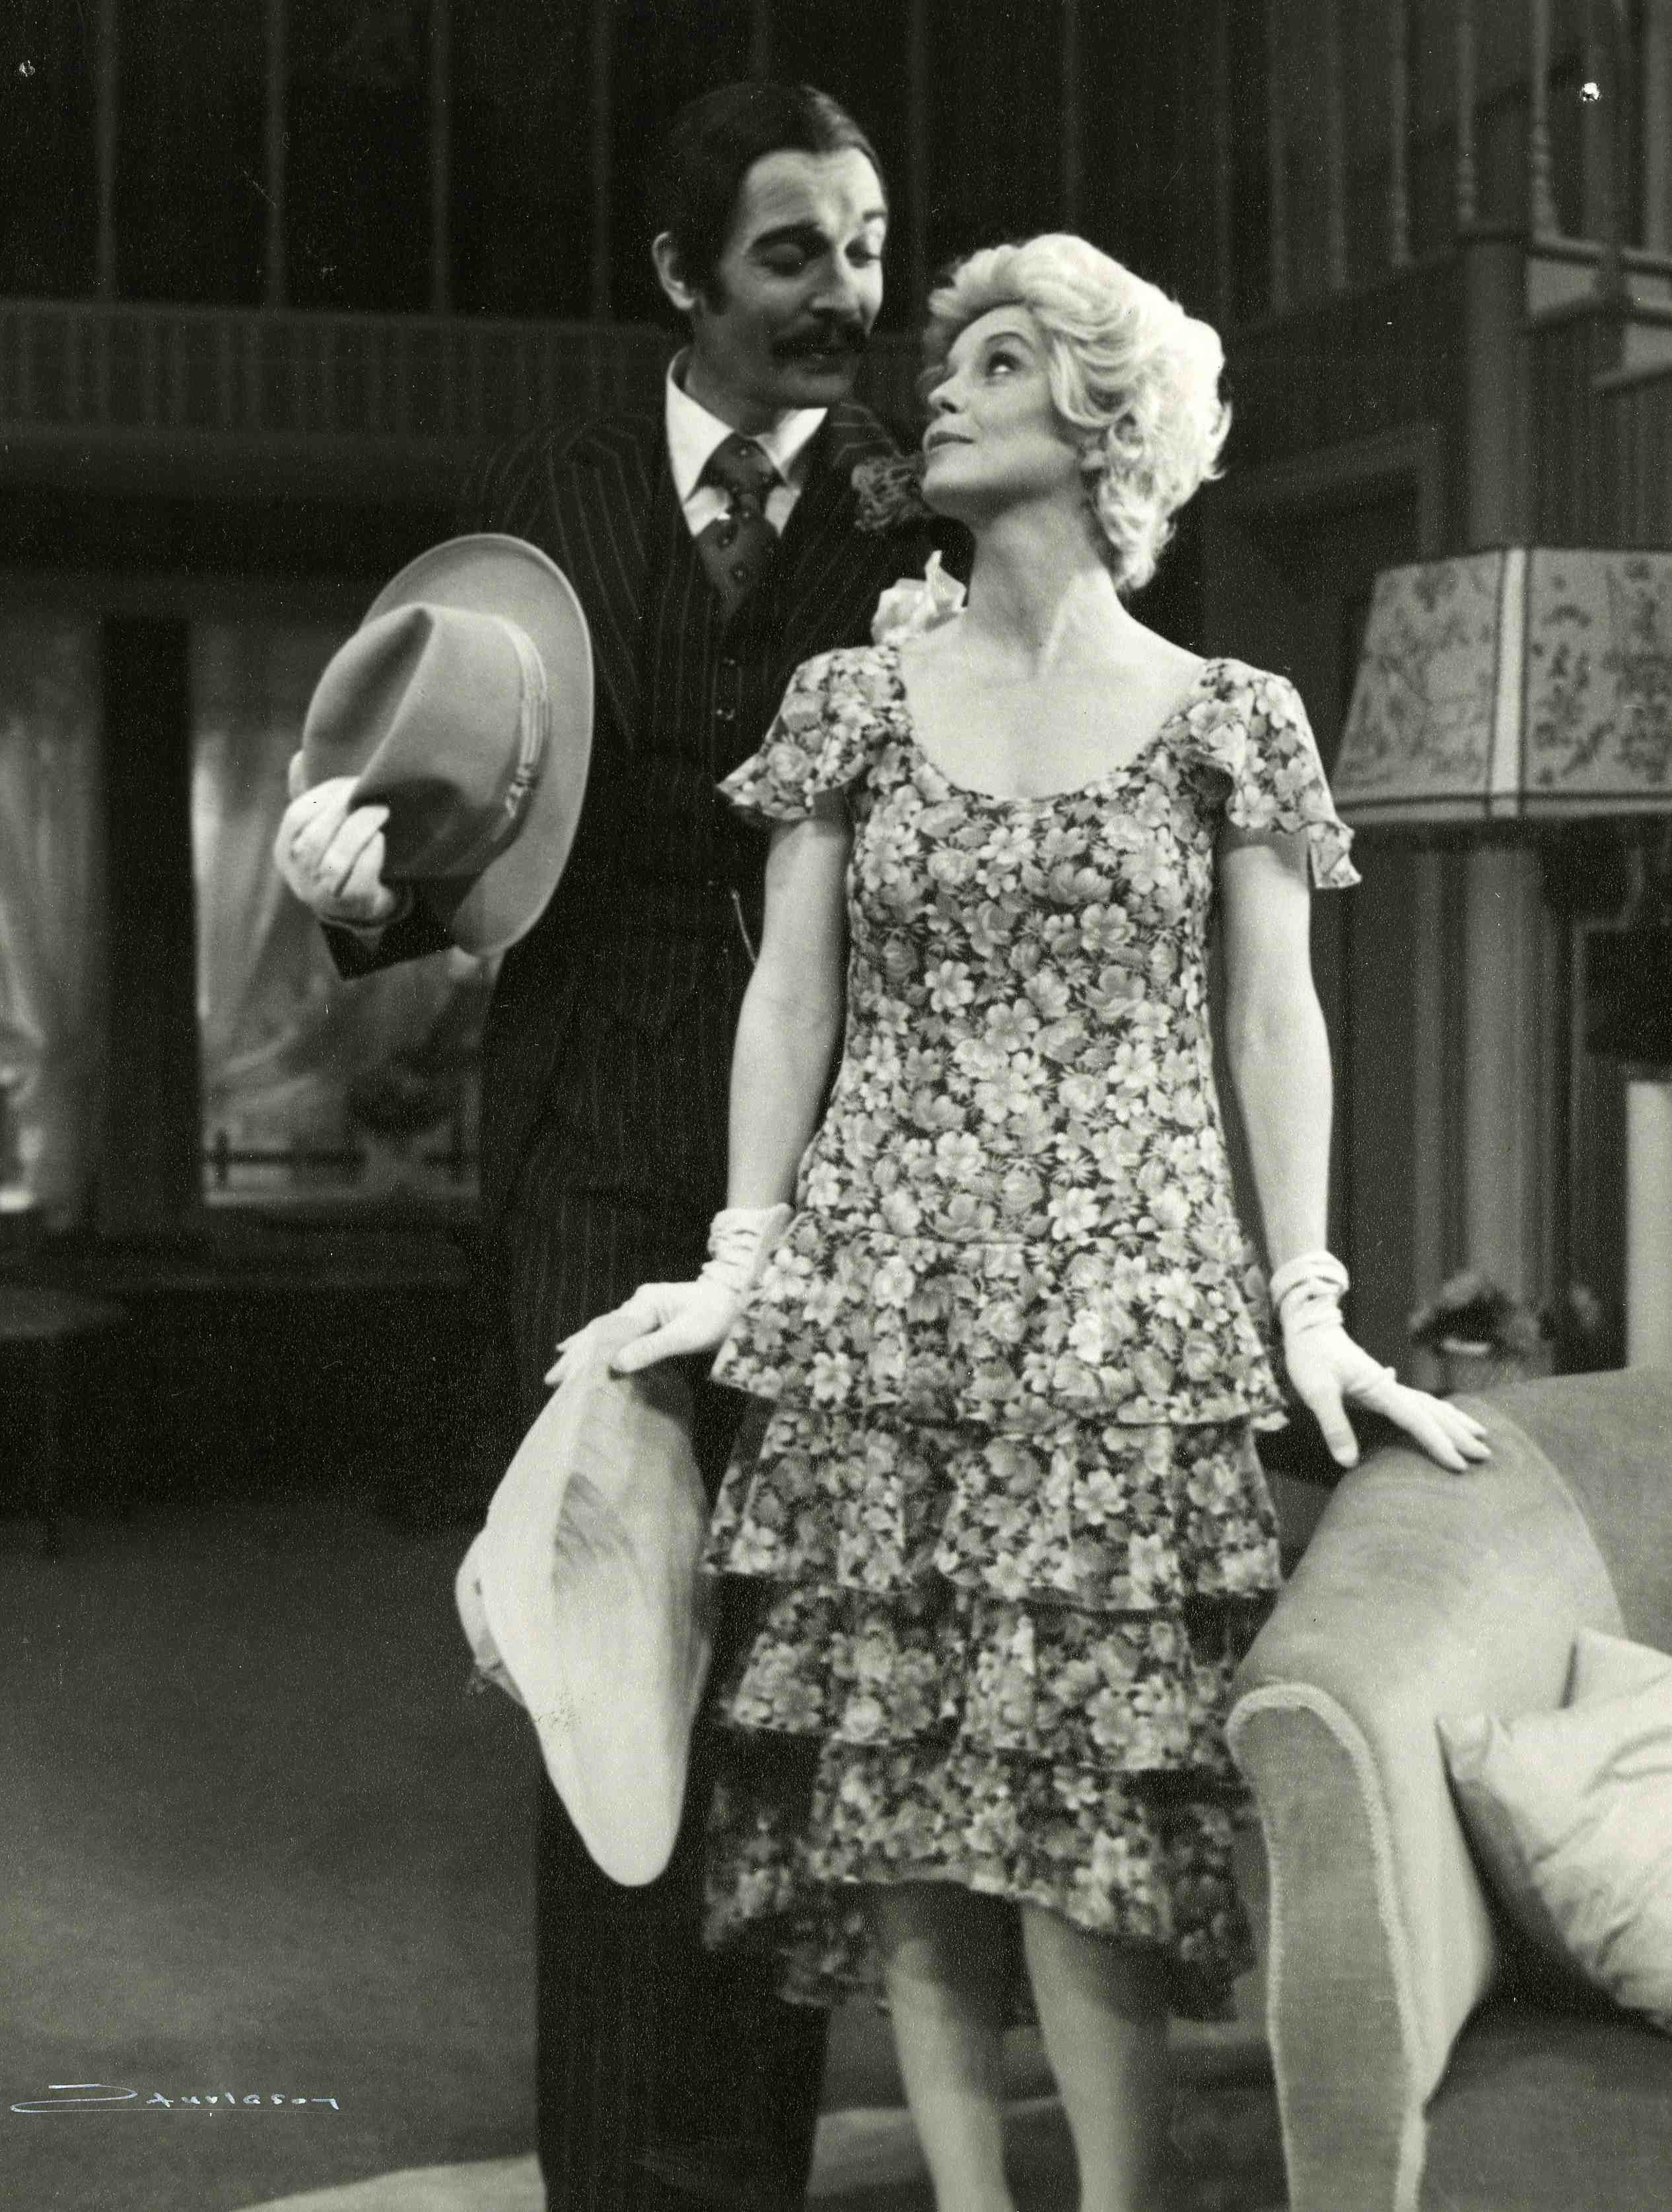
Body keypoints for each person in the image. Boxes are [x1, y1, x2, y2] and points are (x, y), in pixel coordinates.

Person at [565, 233, 1490, 2212]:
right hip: (877, 1317)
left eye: (995, 360)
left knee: (1083, 1840)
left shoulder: (1230, 713)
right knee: (906, 1823)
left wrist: (1308, 1302)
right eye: (951, 359)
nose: (943, 386)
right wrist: (736, 1266)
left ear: (1101, 416)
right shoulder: (852, 697)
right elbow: (788, 998)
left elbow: (1274, 1019)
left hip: (1118, 1331)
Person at [273, 80, 965, 2212]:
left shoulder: (920, 497)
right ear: (679, 274)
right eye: (793, 252)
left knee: (778, 1683)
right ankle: (606, 2179)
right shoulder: (542, 498)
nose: (846, 293)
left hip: (841, 1161)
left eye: (866, 248)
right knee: (607, 1655)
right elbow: (449, 839)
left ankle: (740, 2174)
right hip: (592, 1135)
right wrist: (351, 894)